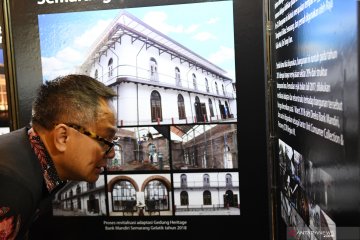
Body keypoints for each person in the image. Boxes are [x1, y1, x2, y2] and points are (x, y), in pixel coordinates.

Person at [0, 74, 117, 239]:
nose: (111, 153)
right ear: (62, 137)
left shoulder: (30, 157)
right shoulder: (13, 186)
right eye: (105, 140)